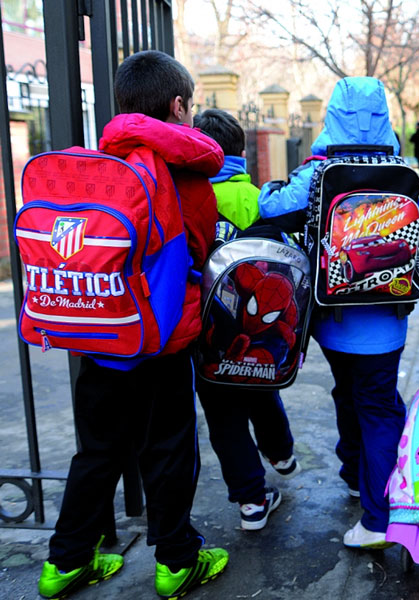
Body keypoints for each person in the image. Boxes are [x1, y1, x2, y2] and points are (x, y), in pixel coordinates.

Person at [37, 50, 228, 600]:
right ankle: (176, 562)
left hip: (97, 333)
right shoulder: (184, 170)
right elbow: (199, 243)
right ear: (177, 106)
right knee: (168, 448)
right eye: (188, 108)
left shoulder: (101, 164)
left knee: (96, 451)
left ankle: (65, 563)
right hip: (163, 337)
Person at [257, 77, 419, 549]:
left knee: (351, 394)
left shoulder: (319, 174)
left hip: (331, 321)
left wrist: (273, 184)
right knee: (376, 402)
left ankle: (375, 513)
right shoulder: (402, 176)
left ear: (332, 117)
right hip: (387, 321)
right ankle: (368, 484)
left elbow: (272, 210)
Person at [192, 108, 300, 532]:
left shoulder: (189, 199)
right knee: (261, 391)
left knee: (223, 419)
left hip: (206, 334)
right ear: (240, 152)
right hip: (260, 333)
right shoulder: (260, 200)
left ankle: (252, 503)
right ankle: (281, 452)